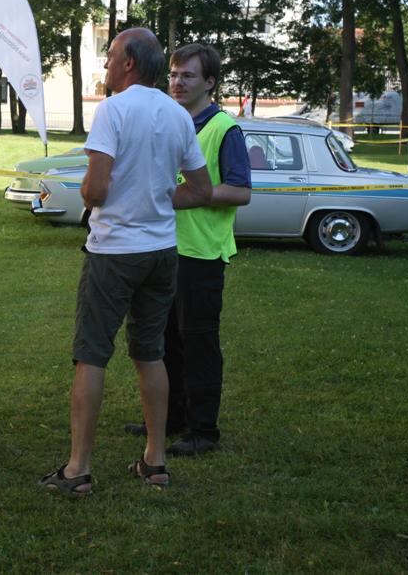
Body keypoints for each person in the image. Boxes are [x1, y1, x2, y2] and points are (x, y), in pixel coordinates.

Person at [39, 29, 212, 496]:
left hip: (114, 252)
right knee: (150, 352)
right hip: (162, 253)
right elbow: (201, 190)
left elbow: (94, 191)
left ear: (131, 63)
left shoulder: (112, 110)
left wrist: (89, 192)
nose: (106, 66)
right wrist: (155, 197)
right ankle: (155, 461)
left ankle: (78, 469)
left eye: (112, 56)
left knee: (92, 354)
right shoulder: (177, 115)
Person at [123, 43, 251, 455]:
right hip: (161, 249)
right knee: (163, 343)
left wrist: (184, 194)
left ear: (210, 83)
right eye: (174, 74)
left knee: (198, 344)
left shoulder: (223, 129)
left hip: (201, 255)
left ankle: (203, 431)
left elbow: (241, 192)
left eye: (188, 76)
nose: (177, 82)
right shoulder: (171, 123)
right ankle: (169, 418)